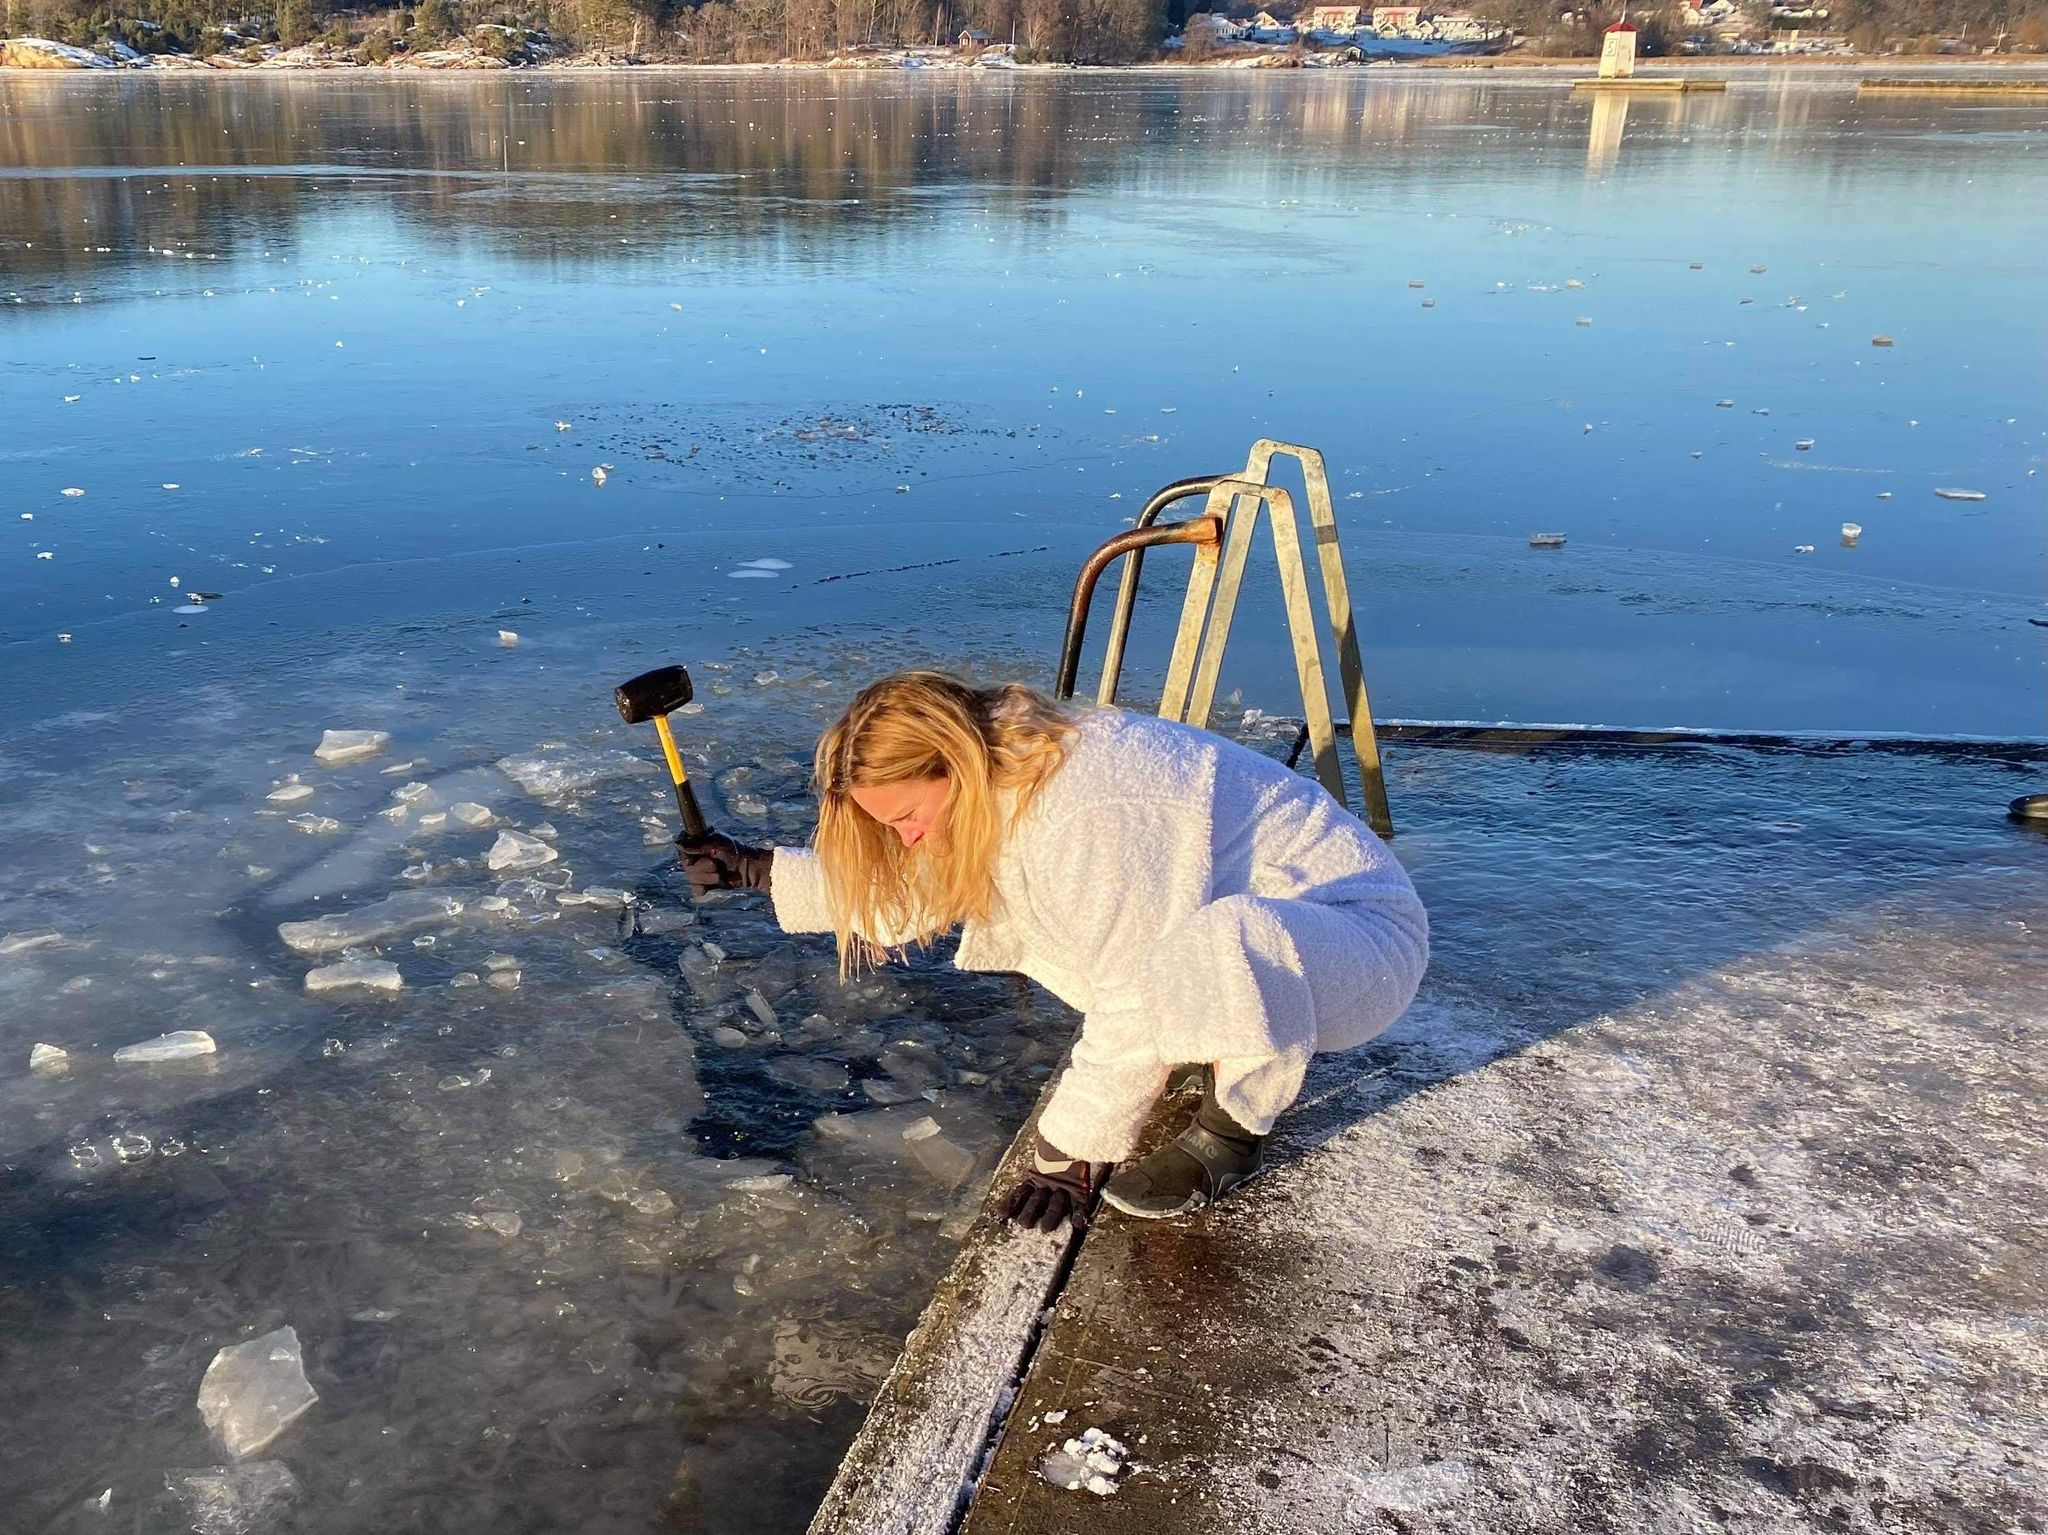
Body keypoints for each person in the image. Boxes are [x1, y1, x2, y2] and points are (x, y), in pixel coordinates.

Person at [677, 671, 1428, 1228]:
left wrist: (1072, 1152)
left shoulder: (1088, 807)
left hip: (1359, 948)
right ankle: (1213, 1038)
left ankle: (1230, 1133)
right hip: (1291, 948)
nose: (904, 837)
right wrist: (758, 868)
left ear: (949, 762)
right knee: (1139, 946)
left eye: (906, 815)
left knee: (1206, 944)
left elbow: (1132, 990)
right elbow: (932, 877)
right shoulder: (1002, 767)